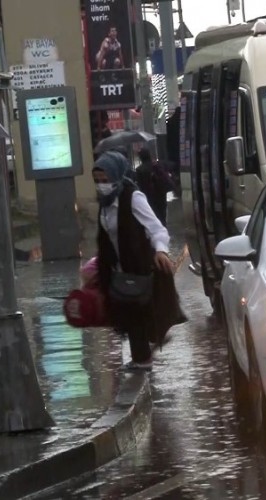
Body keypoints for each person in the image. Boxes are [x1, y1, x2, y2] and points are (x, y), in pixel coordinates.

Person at [93, 151, 186, 371]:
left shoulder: (133, 197)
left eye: (105, 180)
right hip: (118, 268)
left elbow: (157, 229)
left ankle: (143, 360)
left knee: (137, 310)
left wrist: (161, 251)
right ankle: (144, 355)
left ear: (116, 175)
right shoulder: (105, 203)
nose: (101, 185)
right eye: (97, 181)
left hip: (139, 266)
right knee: (126, 312)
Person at [135, 148, 175, 225]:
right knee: (162, 216)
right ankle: (164, 231)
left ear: (141, 158)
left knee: (153, 217)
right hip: (161, 195)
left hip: (149, 198)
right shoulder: (157, 165)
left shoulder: (139, 169)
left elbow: (140, 186)